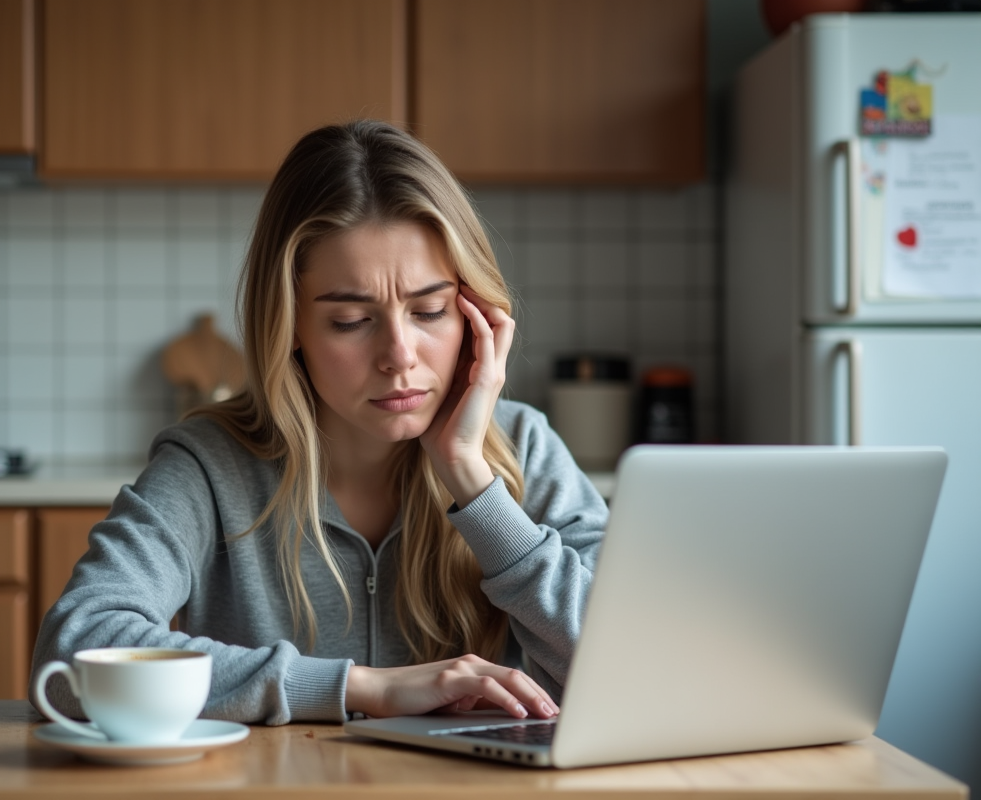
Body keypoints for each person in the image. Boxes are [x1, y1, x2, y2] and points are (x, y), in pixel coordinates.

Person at [30, 119, 608, 726]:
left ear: (475, 317)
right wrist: (362, 688)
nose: (400, 356)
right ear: (292, 327)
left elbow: (628, 666)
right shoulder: (208, 466)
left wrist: (475, 486)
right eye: (351, 320)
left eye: (430, 310)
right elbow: (74, 655)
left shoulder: (526, 450)